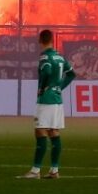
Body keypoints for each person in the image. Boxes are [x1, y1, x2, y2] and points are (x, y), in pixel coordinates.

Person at [21, 29, 76, 179]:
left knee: (40, 132)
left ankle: (35, 171)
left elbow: (46, 71)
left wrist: (42, 87)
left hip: (46, 99)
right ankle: (54, 170)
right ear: (52, 40)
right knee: (54, 132)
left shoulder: (45, 56)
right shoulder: (59, 57)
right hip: (57, 100)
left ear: (40, 40)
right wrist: (59, 87)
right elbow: (72, 74)